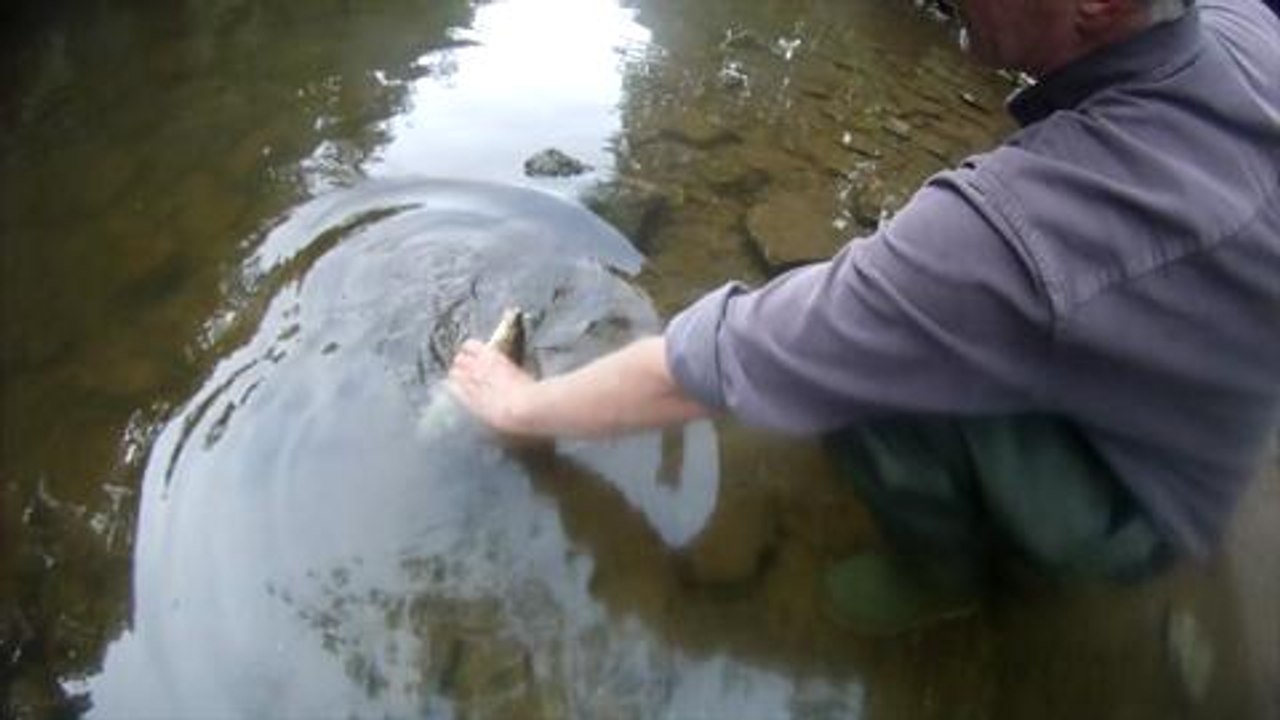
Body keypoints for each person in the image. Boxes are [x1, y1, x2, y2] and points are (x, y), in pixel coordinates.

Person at [450, 0, 1280, 633]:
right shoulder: (1244, 32)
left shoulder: (1015, 234)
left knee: (861, 376)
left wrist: (519, 407)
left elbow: (723, 361)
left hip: (1141, 507)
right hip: (1195, 419)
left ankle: (941, 581)